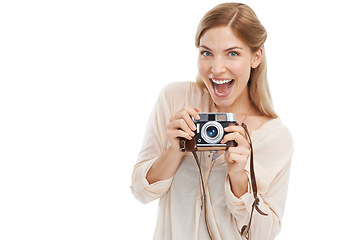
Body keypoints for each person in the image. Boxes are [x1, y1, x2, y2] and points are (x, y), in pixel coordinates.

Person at [131, 3, 293, 240]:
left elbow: (263, 234)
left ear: (255, 57)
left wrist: (238, 177)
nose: (217, 68)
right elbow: (140, 192)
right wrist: (175, 149)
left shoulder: (275, 137)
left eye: (233, 53)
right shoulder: (176, 99)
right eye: (206, 52)